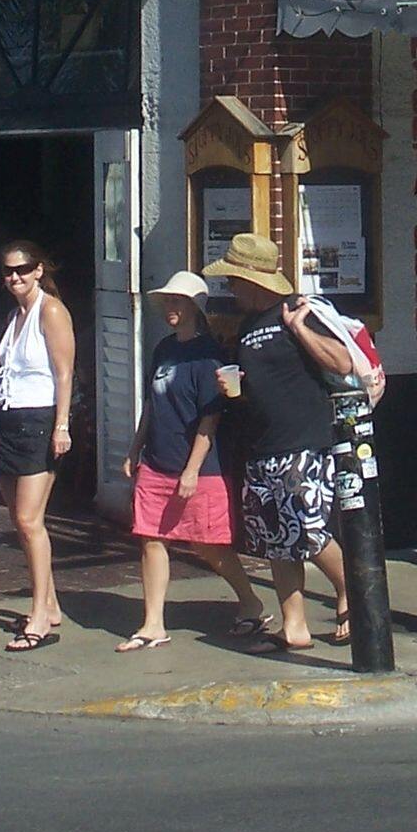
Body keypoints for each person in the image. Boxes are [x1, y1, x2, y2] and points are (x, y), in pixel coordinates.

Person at [205, 231, 357, 650]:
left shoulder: (297, 312)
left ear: (251, 280)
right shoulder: (247, 326)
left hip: (303, 441)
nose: (230, 289)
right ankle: (295, 626)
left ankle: (353, 593)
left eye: (233, 281)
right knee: (275, 537)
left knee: (307, 529)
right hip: (262, 444)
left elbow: (342, 362)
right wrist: (234, 387)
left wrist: (299, 329)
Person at [121, 270, 264, 650]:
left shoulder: (207, 355)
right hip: (156, 460)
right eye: (168, 300)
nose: (171, 307)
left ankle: (250, 602)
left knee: (209, 545)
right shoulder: (164, 349)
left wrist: (192, 469)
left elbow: (210, 417)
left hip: (197, 466)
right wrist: (135, 448)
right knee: (152, 539)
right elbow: (152, 403)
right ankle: (152, 623)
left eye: (178, 301)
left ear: (193, 307)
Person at [0, 240, 78, 651]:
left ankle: (40, 614)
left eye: (23, 269)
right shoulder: (13, 315)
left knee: (29, 520)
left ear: (39, 270)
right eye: (8, 271)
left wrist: (62, 424)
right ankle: (50, 602)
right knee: (17, 520)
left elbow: (64, 372)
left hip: (39, 419)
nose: (15, 278)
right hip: (9, 417)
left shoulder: (51, 310)